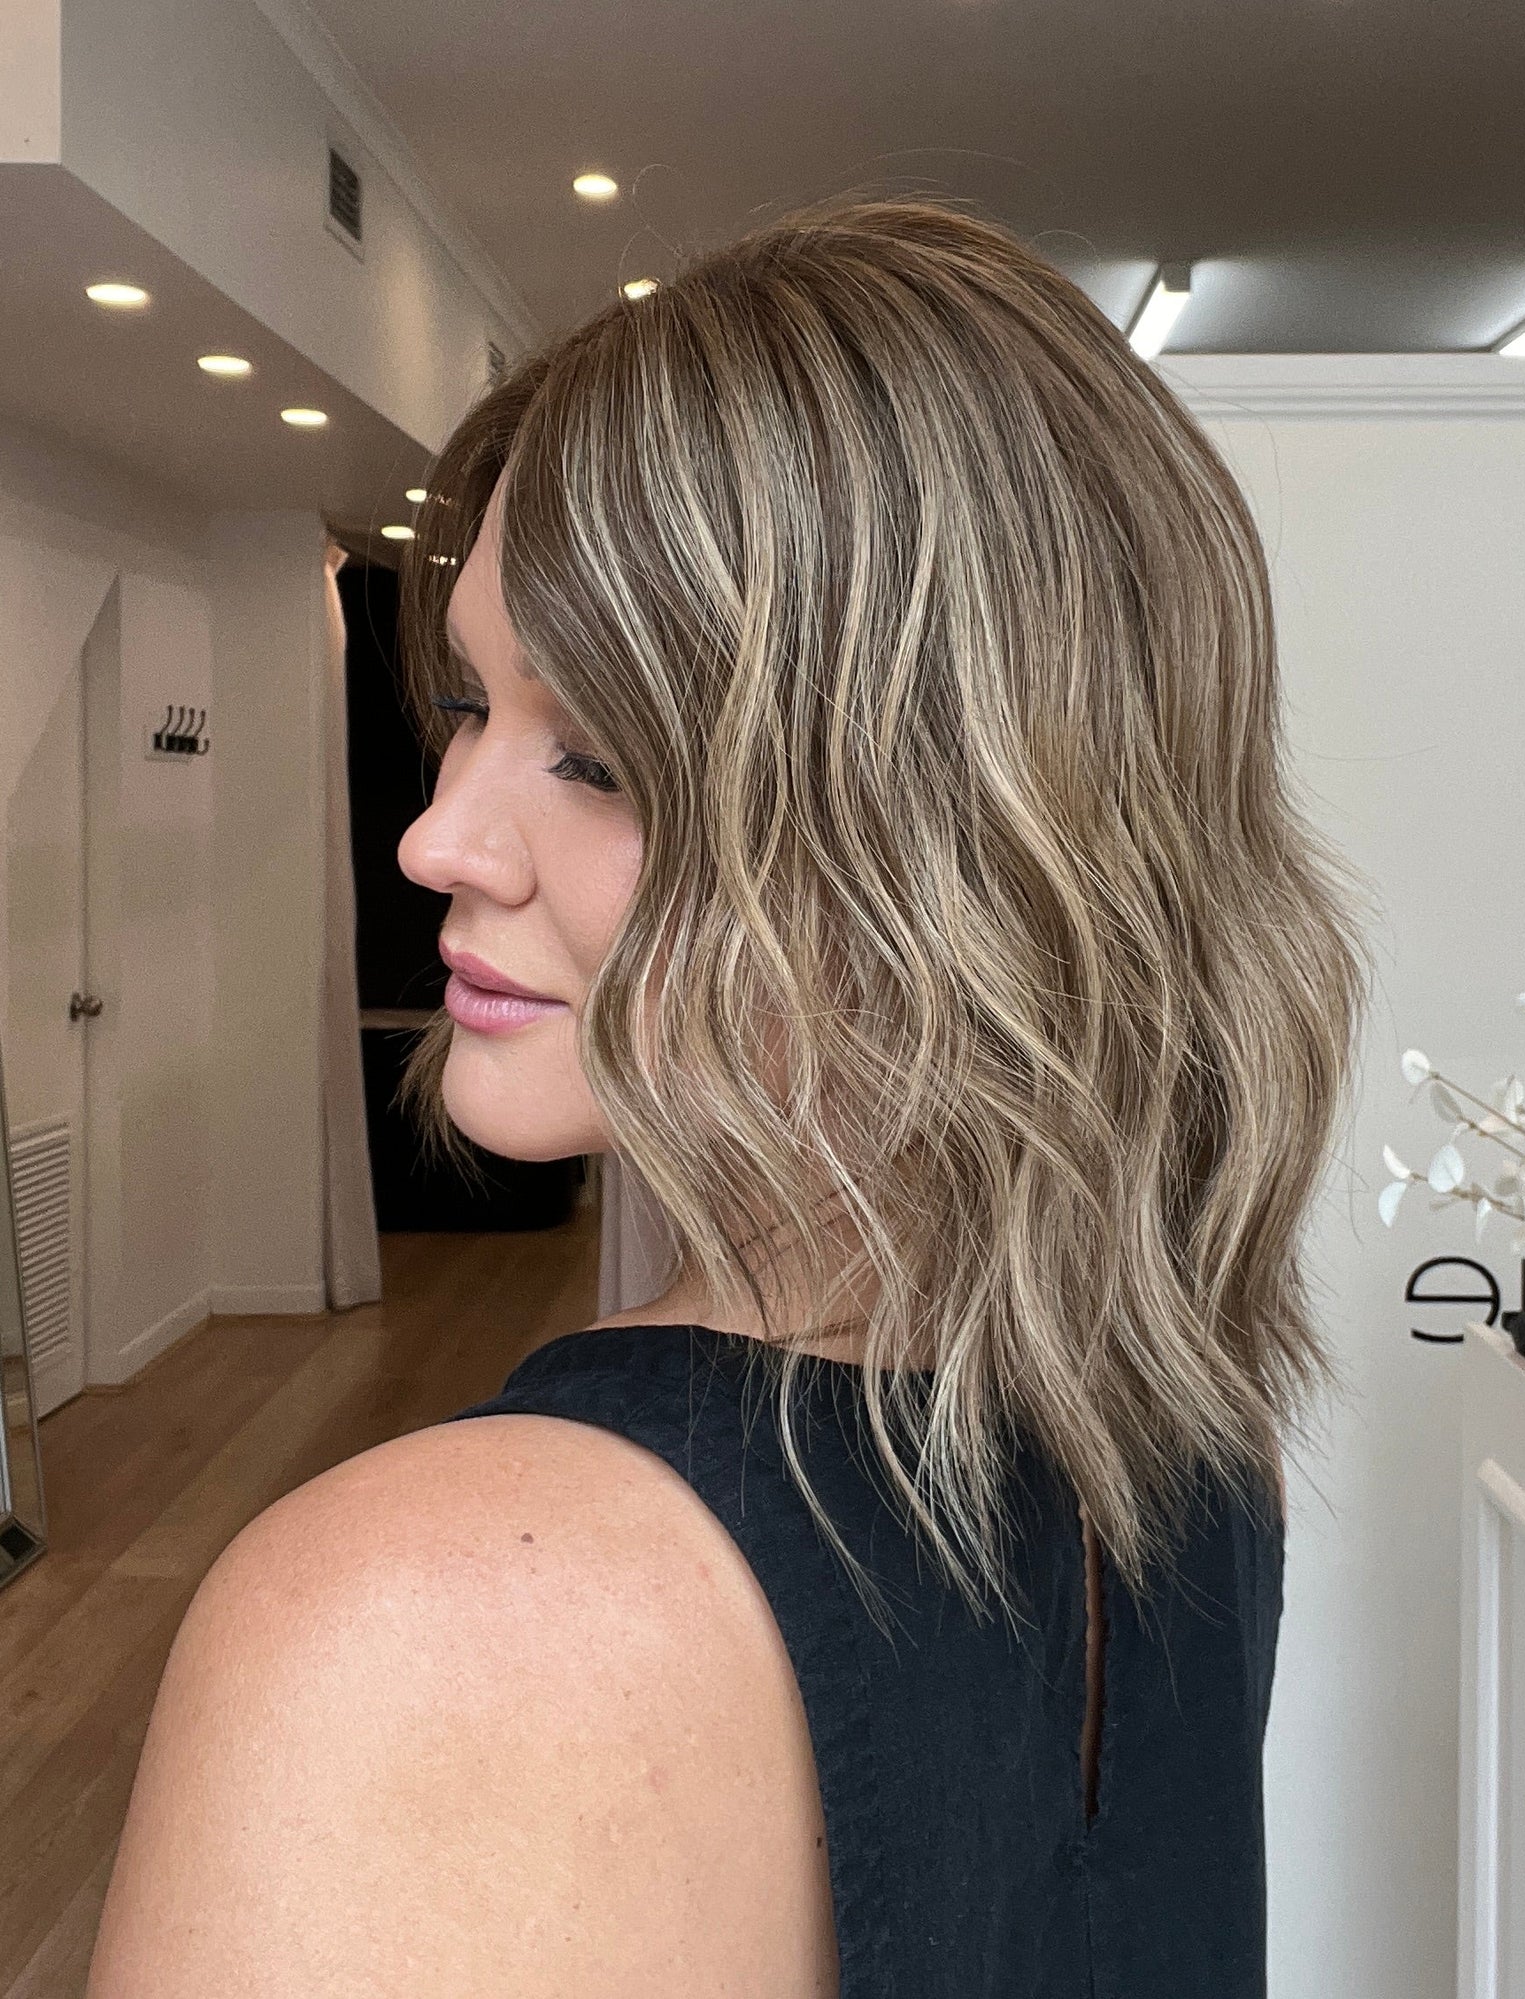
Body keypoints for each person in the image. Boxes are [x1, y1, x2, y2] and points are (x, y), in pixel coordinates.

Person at [87, 199, 1372, 1997]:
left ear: (957, 843)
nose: (436, 833)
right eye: (468, 704)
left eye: (597, 751)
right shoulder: (1183, 1435)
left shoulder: (422, 1629)